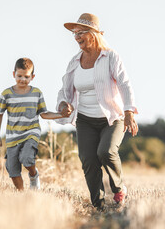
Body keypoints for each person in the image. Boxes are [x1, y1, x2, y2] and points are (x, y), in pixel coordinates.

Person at [55, 13, 138, 210]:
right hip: (85, 119)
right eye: (74, 34)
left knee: (106, 152)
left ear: (93, 34)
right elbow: (64, 90)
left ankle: (118, 189)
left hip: (112, 117)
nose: (76, 37)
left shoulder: (110, 57)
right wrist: (63, 104)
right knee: (88, 160)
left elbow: (125, 84)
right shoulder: (74, 62)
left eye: (81, 33)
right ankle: (98, 204)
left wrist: (129, 112)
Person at [0, 57, 65, 191]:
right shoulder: (6, 94)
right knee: (13, 171)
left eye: (26, 77)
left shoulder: (36, 93)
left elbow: (44, 114)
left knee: (27, 158)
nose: (22, 79)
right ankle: (23, 195)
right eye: (19, 76)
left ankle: (33, 175)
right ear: (13, 74)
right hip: (12, 137)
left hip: (30, 133)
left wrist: (61, 114)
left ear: (32, 77)